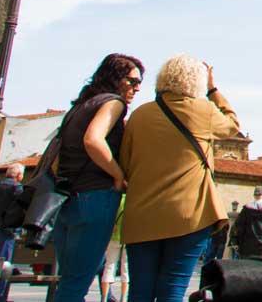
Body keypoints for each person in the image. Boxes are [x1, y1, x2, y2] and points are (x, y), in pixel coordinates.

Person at [120, 55, 239, 302]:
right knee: (172, 288)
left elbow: (126, 163)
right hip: (188, 216)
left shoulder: (139, 115)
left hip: (141, 215)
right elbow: (232, 126)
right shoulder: (202, 110)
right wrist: (213, 90)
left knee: (139, 290)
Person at [54, 53, 143, 302]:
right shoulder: (113, 103)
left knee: (69, 281)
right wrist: (118, 175)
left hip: (67, 199)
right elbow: (93, 140)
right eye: (132, 81)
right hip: (95, 199)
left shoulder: (79, 107)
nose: (137, 88)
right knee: (75, 286)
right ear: (115, 78)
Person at [0, 163, 25, 302]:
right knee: (3, 265)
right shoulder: (18, 189)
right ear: (19, 175)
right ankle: (0, 296)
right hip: (7, 231)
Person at [99, 196, 128, 302]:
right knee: (126, 269)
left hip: (113, 238)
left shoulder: (116, 199)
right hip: (127, 238)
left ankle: (104, 297)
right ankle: (123, 298)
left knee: (109, 267)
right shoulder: (131, 199)